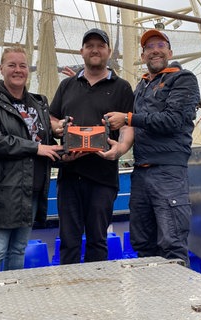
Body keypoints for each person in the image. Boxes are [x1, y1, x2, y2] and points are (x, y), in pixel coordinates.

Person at [104, 29, 200, 266]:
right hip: (141, 173)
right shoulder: (142, 86)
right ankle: (152, 299)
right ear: (143, 55)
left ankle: (175, 302)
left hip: (168, 173)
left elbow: (172, 120)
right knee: (143, 242)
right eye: (149, 47)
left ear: (170, 51)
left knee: (172, 242)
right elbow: (135, 127)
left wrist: (128, 118)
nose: (155, 50)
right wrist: (120, 144)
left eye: (160, 44)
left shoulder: (183, 79)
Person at [0, 46, 62, 273]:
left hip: (30, 189)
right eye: (11, 65)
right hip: (1, 188)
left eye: (22, 65)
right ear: (1, 68)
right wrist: (35, 148)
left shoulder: (38, 103)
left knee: (19, 249)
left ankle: (11, 299)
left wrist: (64, 146)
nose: (17, 70)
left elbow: (45, 143)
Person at [50, 28, 134, 265]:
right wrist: (58, 128)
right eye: (90, 46)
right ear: (82, 51)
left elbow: (128, 126)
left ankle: (98, 296)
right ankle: (71, 297)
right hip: (69, 175)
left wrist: (120, 149)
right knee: (68, 240)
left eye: (100, 45)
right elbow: (52, 118)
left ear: (108, 51)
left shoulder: (122, 87)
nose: (95, 50)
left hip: (103, 178)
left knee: (98, 240)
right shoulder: (67, 85)